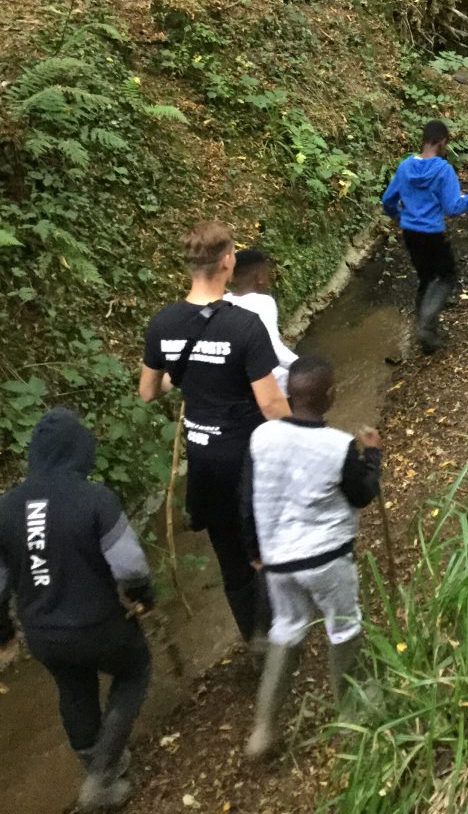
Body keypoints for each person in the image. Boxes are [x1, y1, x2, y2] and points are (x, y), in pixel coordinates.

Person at [139, 221, 289, 645]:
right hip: (248, 458)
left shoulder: (163, 322)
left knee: (231, 559)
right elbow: (271, 405)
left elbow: (149, 390)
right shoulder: (245, 325)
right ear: (227, 262)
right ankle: (281, 633)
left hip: (203, 459)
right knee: (265, 547)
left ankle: (255, 640)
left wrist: (188, 374)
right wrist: (308, 433)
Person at [0, 409, 154, 810]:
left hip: (43, 634)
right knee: (134, 669)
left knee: (73, 686)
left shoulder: (6, 508)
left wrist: (4, 635)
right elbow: (130, 566)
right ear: (79, 451)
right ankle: (101, 774)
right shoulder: (95, 499)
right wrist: (143, 597)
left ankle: (101, 767)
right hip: (97, 624)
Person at [242, 355, 381, 759]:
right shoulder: (337, 446)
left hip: (277, 562)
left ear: (288, 394)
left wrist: (255, 552)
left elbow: (247, 499)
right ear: (331, 396)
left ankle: (263, 731)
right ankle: (353, 717)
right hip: (327, 559)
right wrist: (372, 455)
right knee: (344, 627)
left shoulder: (261, 437)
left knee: (286, 629)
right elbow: (362, 494)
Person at [381, 120, 468, 353]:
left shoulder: (405, 167)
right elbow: (453, 207)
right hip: (432, 233)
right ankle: (426, 325)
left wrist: (400, 216)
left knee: (426, 278)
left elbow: (388, 200)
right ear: (441, 142)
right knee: (446, 277)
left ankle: (425, 335)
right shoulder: (443, 170)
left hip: (410, 233)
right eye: (446, 144)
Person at [225, 248, 298, 392]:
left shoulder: (223, 300)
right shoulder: (263, 302)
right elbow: (272, 348)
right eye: (267, 273)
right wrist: (303, 365)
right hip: (265, 385)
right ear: (259, 276)